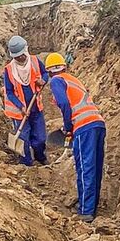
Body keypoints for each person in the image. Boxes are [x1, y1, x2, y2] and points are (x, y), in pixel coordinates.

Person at [44, 53, 106, 219]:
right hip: (98, 123)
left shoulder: (57, 81)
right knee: (95, 166)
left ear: (49, 72)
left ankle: (85, 212)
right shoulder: (73, 79)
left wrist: (68, 126)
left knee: (85, 167)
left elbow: (64, 104)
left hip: (83, 126)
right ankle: (91, 206)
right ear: (65, 66)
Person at [2, 36, 48, 166]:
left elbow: (45, 73)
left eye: (22, 55)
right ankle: (26, 163)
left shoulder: (34, 61)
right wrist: (20, 106)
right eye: (17, 57)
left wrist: (43, 80)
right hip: (20, 112)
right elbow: (9, 92)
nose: (20, 58)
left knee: (40, 138)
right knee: (24, 139)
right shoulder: (9, 70)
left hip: (35, 108)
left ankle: (40, 157)